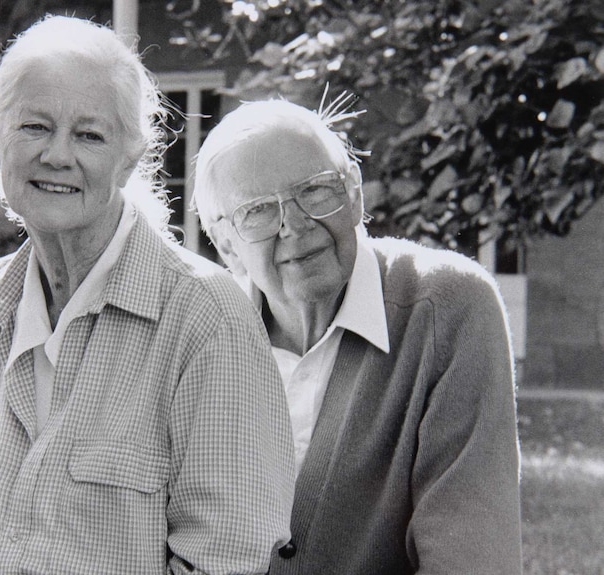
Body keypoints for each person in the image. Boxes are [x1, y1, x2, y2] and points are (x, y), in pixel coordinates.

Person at [0, 16, 295, 575]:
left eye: (89, 135)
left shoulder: (206, 317)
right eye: (35, 127)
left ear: (128, 159)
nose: (57, 155)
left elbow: (225, 564)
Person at [191, 97, 523, 574]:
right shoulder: (201, 336)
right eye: (259, 211)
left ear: (355, 196)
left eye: (317, 191)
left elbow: (471, 557)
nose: (296, 226)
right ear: (227, 246)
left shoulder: (446, 309)